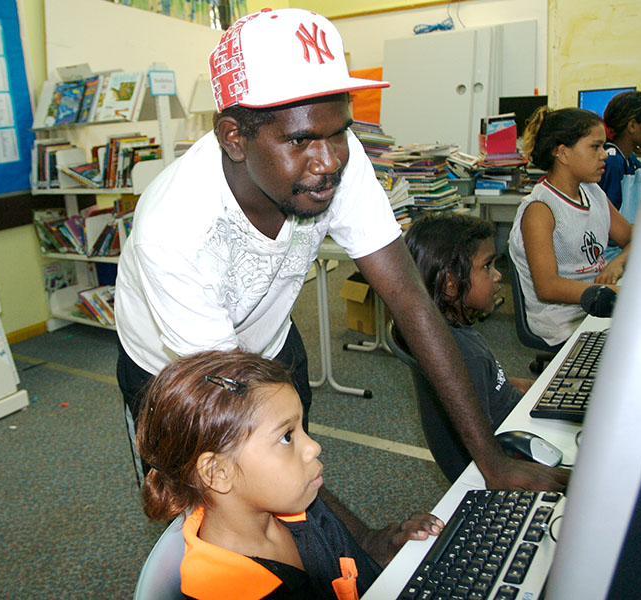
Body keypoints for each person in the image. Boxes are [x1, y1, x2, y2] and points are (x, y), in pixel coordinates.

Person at [116, 7, 568, 563]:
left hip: (270, 341)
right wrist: (369, 536)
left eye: (341, 133)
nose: (328, 161)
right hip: (174, 367)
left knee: (290, 478)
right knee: (223, 516)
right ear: (234, 136)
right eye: (303, 140)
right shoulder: (176, 231)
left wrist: (491, 459)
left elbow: (408, 298)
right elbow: (241, 422)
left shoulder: (333, 163)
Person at [135, 349, 444, 600]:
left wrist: (389, 560)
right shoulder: (224, 592)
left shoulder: (302, 507)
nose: (313, 448)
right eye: (286, 436)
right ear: (218, 472)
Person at [509, 107, 633, 347]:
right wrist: (609, 293)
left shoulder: (593, 192)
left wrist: (617, 263)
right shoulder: (541, 209)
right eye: (595, 147)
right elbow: (547, 287)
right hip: (563, 320)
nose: (605, 154)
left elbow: (632, 239)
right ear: (563, 154)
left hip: (599, 302)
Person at [404, 213, 535, 429]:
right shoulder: (466, 357)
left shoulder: (448, 331)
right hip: (517, 440)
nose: (497, 275)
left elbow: (488, 386)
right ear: (449, 282)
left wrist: (525, 388)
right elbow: (488, 448)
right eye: (487, 266)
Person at [598, 90, 641, 261]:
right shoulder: (612, 161)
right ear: (632, 126)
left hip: (630, 248)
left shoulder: (630, 160)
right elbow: (609, 230)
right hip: (612, 257)